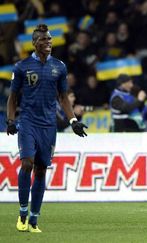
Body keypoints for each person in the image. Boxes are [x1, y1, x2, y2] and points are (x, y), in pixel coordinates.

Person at [6, 24, 87, 233]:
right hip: (28, 123)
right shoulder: (22, 67)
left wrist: (73, 121)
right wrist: (10, 120)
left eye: (50, 40)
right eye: (44, 40)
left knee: (41, 170)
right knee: (27, 163)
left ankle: (34, 219)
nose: (48, 43)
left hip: (49, 125)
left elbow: (63, 97)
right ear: (35, 43)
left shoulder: (59, 67)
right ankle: (22, 212)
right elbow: (13, 97)